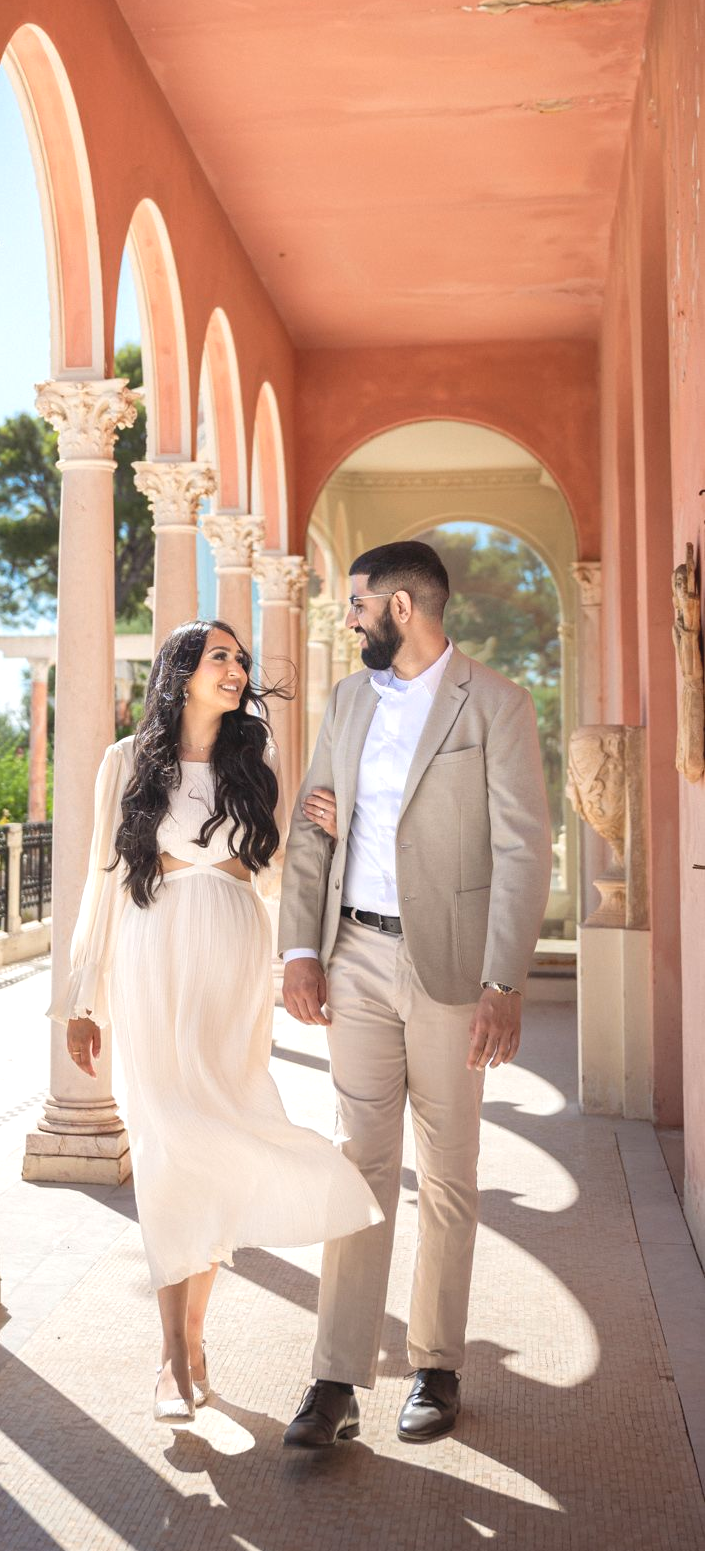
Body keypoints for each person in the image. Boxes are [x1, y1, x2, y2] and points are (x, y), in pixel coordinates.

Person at [55, 618, 381, 1424]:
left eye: (239, 659)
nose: (235, 670)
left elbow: (272, 875)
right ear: (180, 672)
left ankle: (194, 1341)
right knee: (167, 1142)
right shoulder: (124, 764)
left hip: (232, 959)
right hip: (149, 955)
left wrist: (329, 838)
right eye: (218, 658)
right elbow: (99, 880)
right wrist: (79, 998)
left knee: (218, 1136)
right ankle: (172, 1357)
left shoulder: (256, 759)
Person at [279, 540, 550, 1450]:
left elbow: (521, 850)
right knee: (357, 1161)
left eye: (356, 604)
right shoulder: (349, 699)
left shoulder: (497, 705)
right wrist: (297, 950)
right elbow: (312, 825)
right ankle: (334, 1378)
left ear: (400, 607)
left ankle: (436, 1365)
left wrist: (501, 983)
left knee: (447, 1172)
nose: (346, 618)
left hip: (448, 967)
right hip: (351, 952)